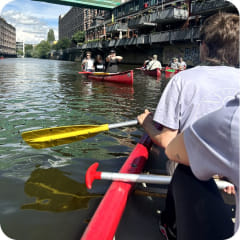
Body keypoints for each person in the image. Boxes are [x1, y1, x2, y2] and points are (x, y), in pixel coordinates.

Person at [137, 12, 239, 240]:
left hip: (193, 164)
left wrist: (146, 124)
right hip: (233, 167)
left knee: (179, 166)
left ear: (203, 47)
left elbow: (167, 142)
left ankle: (169, 225)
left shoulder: (183, 80)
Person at [164, 94, 239, 239]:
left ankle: (168, 225)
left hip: (181, 148)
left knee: (186, 169)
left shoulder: (233, 116)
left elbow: (170, 150)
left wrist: (146, 122)